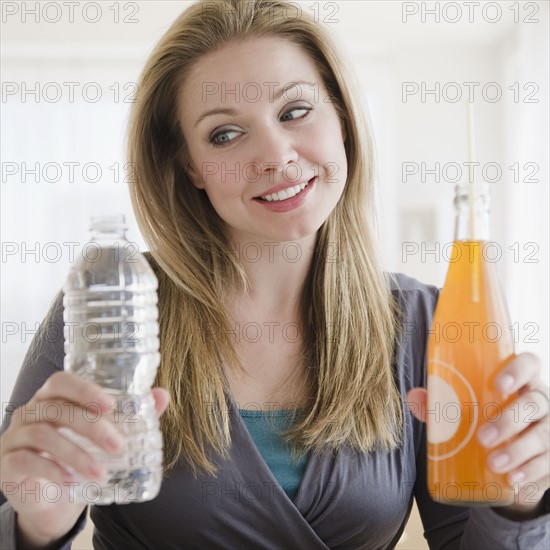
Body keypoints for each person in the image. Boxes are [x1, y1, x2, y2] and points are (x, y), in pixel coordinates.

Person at [1, 0, 549, 548]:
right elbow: (21, 507)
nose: (276, 155)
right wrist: (36, 522)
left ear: (342, 118)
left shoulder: (426, 321)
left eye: (294, 112)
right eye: (224, 135)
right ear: (189, 164)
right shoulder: (111, 304)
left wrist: (521, 494)